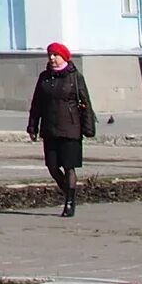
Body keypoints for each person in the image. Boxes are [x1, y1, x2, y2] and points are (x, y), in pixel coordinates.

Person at [26, 40, 96, 215]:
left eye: (55, 55)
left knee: (68, 166)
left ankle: (70, 203)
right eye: (50, 55)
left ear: (63, 57)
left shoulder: (74, 77)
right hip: (50, 128)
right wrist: (32, 126)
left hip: (70, 128)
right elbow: (37, 104)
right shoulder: (44, 77)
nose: (52, 58)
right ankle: (69, 193)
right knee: (52, 166)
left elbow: (85, 102)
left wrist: (88, 128)